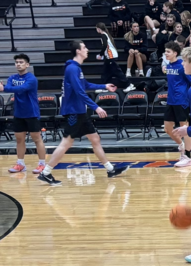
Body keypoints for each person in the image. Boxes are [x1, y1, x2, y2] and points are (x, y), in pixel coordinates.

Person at [36, 41, 126, 186]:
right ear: (78, 51)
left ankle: (110, 169)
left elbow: (85, 85)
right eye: (84, 47)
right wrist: (96, 107)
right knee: (66, 142)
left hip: (79, 111)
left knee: (95, 139)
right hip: (73, 112)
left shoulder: (76, 69)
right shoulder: (72, 69)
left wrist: (104, 86)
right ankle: (46, 173)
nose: (87, 49)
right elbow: (79, 92)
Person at [1, 54, 46, 174]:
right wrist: (5, 88)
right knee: (19, 139)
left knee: (37, 139)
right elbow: (10, 87)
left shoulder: (31, 79)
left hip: (31, 112)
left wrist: (4, 88)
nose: (18, 64)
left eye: (21, 62)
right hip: (19, 113)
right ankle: (20, 164)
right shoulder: (12, 78)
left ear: (27, 65)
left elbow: (21, 89)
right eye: (16, 62)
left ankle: (42, 164)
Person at [160, 42, 191, 168]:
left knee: (184, 128)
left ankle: (188, 157)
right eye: (165, 51)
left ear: (175, 53)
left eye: (168, 51)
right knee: (168, 129)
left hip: (182, 100)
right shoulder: (168, 66)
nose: (166, 54)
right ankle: (182, 146)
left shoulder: (182, 66)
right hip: (171, 100)